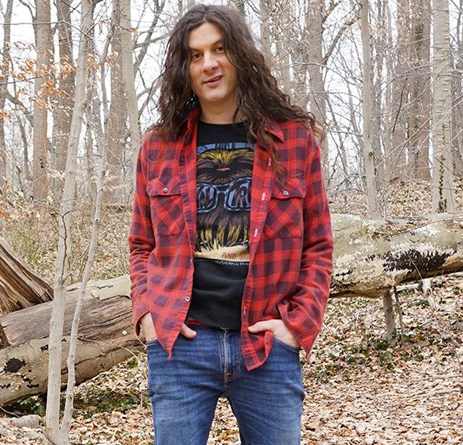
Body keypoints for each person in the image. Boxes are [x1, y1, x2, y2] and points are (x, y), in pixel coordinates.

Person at [128, 4, 333, 444]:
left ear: (240, 55)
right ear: (184, 69)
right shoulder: (158, 147)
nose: (209, 64)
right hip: (181, 344)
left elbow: (318, 246)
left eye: (219, 49)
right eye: (196, 55)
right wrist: (147, 313)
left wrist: (298, 325)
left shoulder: (293, 141)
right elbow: (141, 244)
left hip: (266, 343)